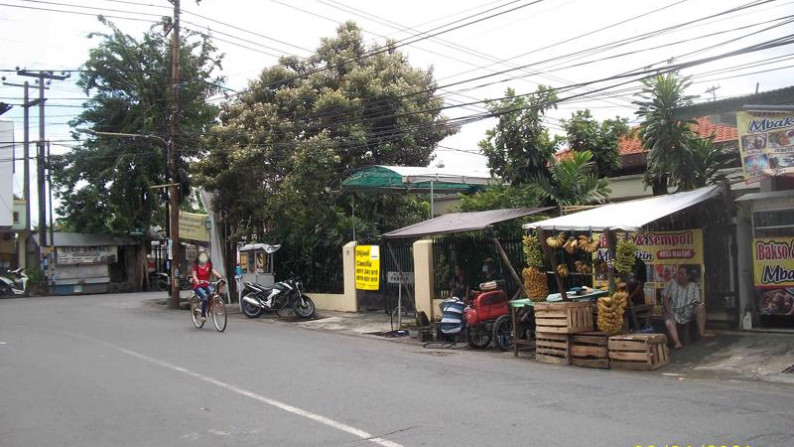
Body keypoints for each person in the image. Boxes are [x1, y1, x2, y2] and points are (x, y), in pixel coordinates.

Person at [663, 266, 714, 349]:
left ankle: (701, 333)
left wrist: (698, 305)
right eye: (678, 274)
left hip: (688, 311)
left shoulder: (693, 286)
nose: (679, 276)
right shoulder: (672, 283)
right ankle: (677, 342)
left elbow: (696, 300)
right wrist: (668, 311)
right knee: (669, 321)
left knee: (701, 308)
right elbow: (665, 298)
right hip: (674, 311)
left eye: (682, 274)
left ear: (688, 276)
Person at [191, 249, 223, 322]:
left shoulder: (208, 264)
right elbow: (194, 275)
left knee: (212, 294)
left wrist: (220, 277)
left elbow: (213, 271)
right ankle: (203, 316)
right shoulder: (195, 265)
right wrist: (196, 280)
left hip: (206, 284)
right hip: (198, 285)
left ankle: (207, 308)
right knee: (204, 297)